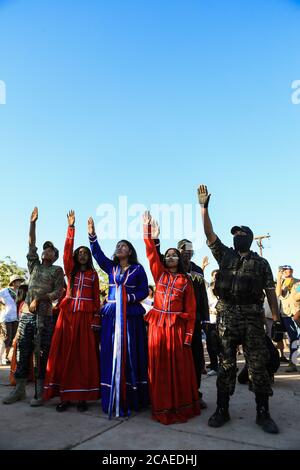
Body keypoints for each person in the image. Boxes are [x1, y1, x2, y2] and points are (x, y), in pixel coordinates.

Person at [198, 184, 282, 434]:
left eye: (242, 233)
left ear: (249, 237)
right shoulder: (224, 255)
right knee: (226, 364)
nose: (238, 236)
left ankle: (263, 412)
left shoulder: (261, 263)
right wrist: (203, 208)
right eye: (235, 234)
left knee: (258, 364)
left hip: (253, 319)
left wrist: (276, 320)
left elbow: (270, 291)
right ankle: (222, 409)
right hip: (227, 317)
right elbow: (209, 234)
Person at [3, 207, 64, 406]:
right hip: (27, 316)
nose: (46, 251)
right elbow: (31, 244)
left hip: (44, 316)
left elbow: (58, 292)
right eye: (45, 249)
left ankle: (39, 392)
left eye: (50, 250)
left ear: (54, 256)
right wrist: (32, 223)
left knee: (40, 352)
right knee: (22, 350)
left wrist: (43, 298)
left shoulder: (57, 270)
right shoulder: (34, 266)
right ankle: (20, 390)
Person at [88, 216, 149, 418]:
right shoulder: (111, 268)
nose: (119, 248)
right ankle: (111, 394)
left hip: (130, 315)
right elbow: (97, 255)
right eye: (117, 245)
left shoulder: (138, 269)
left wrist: (129, 297)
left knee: (131, 352)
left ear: (130, 251)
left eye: (123, 246)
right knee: (109, 351)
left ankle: (133, 397)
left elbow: (144, 291)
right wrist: (92, 235)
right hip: (112, 315)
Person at [143, 211, 200, 425]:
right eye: (167, 255)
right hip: (158, 328)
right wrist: (151, 234)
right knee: (159, 367)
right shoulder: (159, 274)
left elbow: (191, 311)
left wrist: (188, 337)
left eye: (174, 254)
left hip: (176, 330)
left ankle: (180, 405)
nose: (170, 257)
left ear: (180, 258)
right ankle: (161, 405)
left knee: (178, 368)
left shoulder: (186, 281)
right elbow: (150, 252)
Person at [43, 211, 101, 412]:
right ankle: (65, 396)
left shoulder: (94, 275)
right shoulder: (71, 271)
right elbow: (67, 252)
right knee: (64, 355)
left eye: (86, 253)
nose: (82, 255)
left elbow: (96, 299)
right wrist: (71, 228)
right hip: (67, 318)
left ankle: (82, 397)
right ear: (76, 256)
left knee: (83, 357)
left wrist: (96, 319)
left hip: (85, 318)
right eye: (80, 253)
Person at [276, 266, 299, 372]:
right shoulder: (282, 283)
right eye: (284, 269)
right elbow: (278, 293)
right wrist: (279, 278)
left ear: (292, 270)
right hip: (287, 314)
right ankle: (293, 363)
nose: (286, 271)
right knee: (293, 338)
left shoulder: (298, 282)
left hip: (298, 313)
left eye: (288, 269)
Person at [0, 274, 24, 365]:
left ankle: (5, 358)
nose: (20, 282)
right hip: (6, 317)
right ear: (13, 282)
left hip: (16, 318)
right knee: (6, 338)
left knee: (11, 339)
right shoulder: (5, 290)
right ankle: (0, 358)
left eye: (20, 281)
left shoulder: (20, 292)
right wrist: (2, 303)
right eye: (18, 280)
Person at [205, 269, 219, 376]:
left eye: (218, 275)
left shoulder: (225, 288)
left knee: (224, 346)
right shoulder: (209, 290)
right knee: (211, 345)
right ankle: (214, 366)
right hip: (211, 321)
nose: (216, 277)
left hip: (223, 321)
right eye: (214, 275)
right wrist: (211, 310)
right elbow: (205, 304)